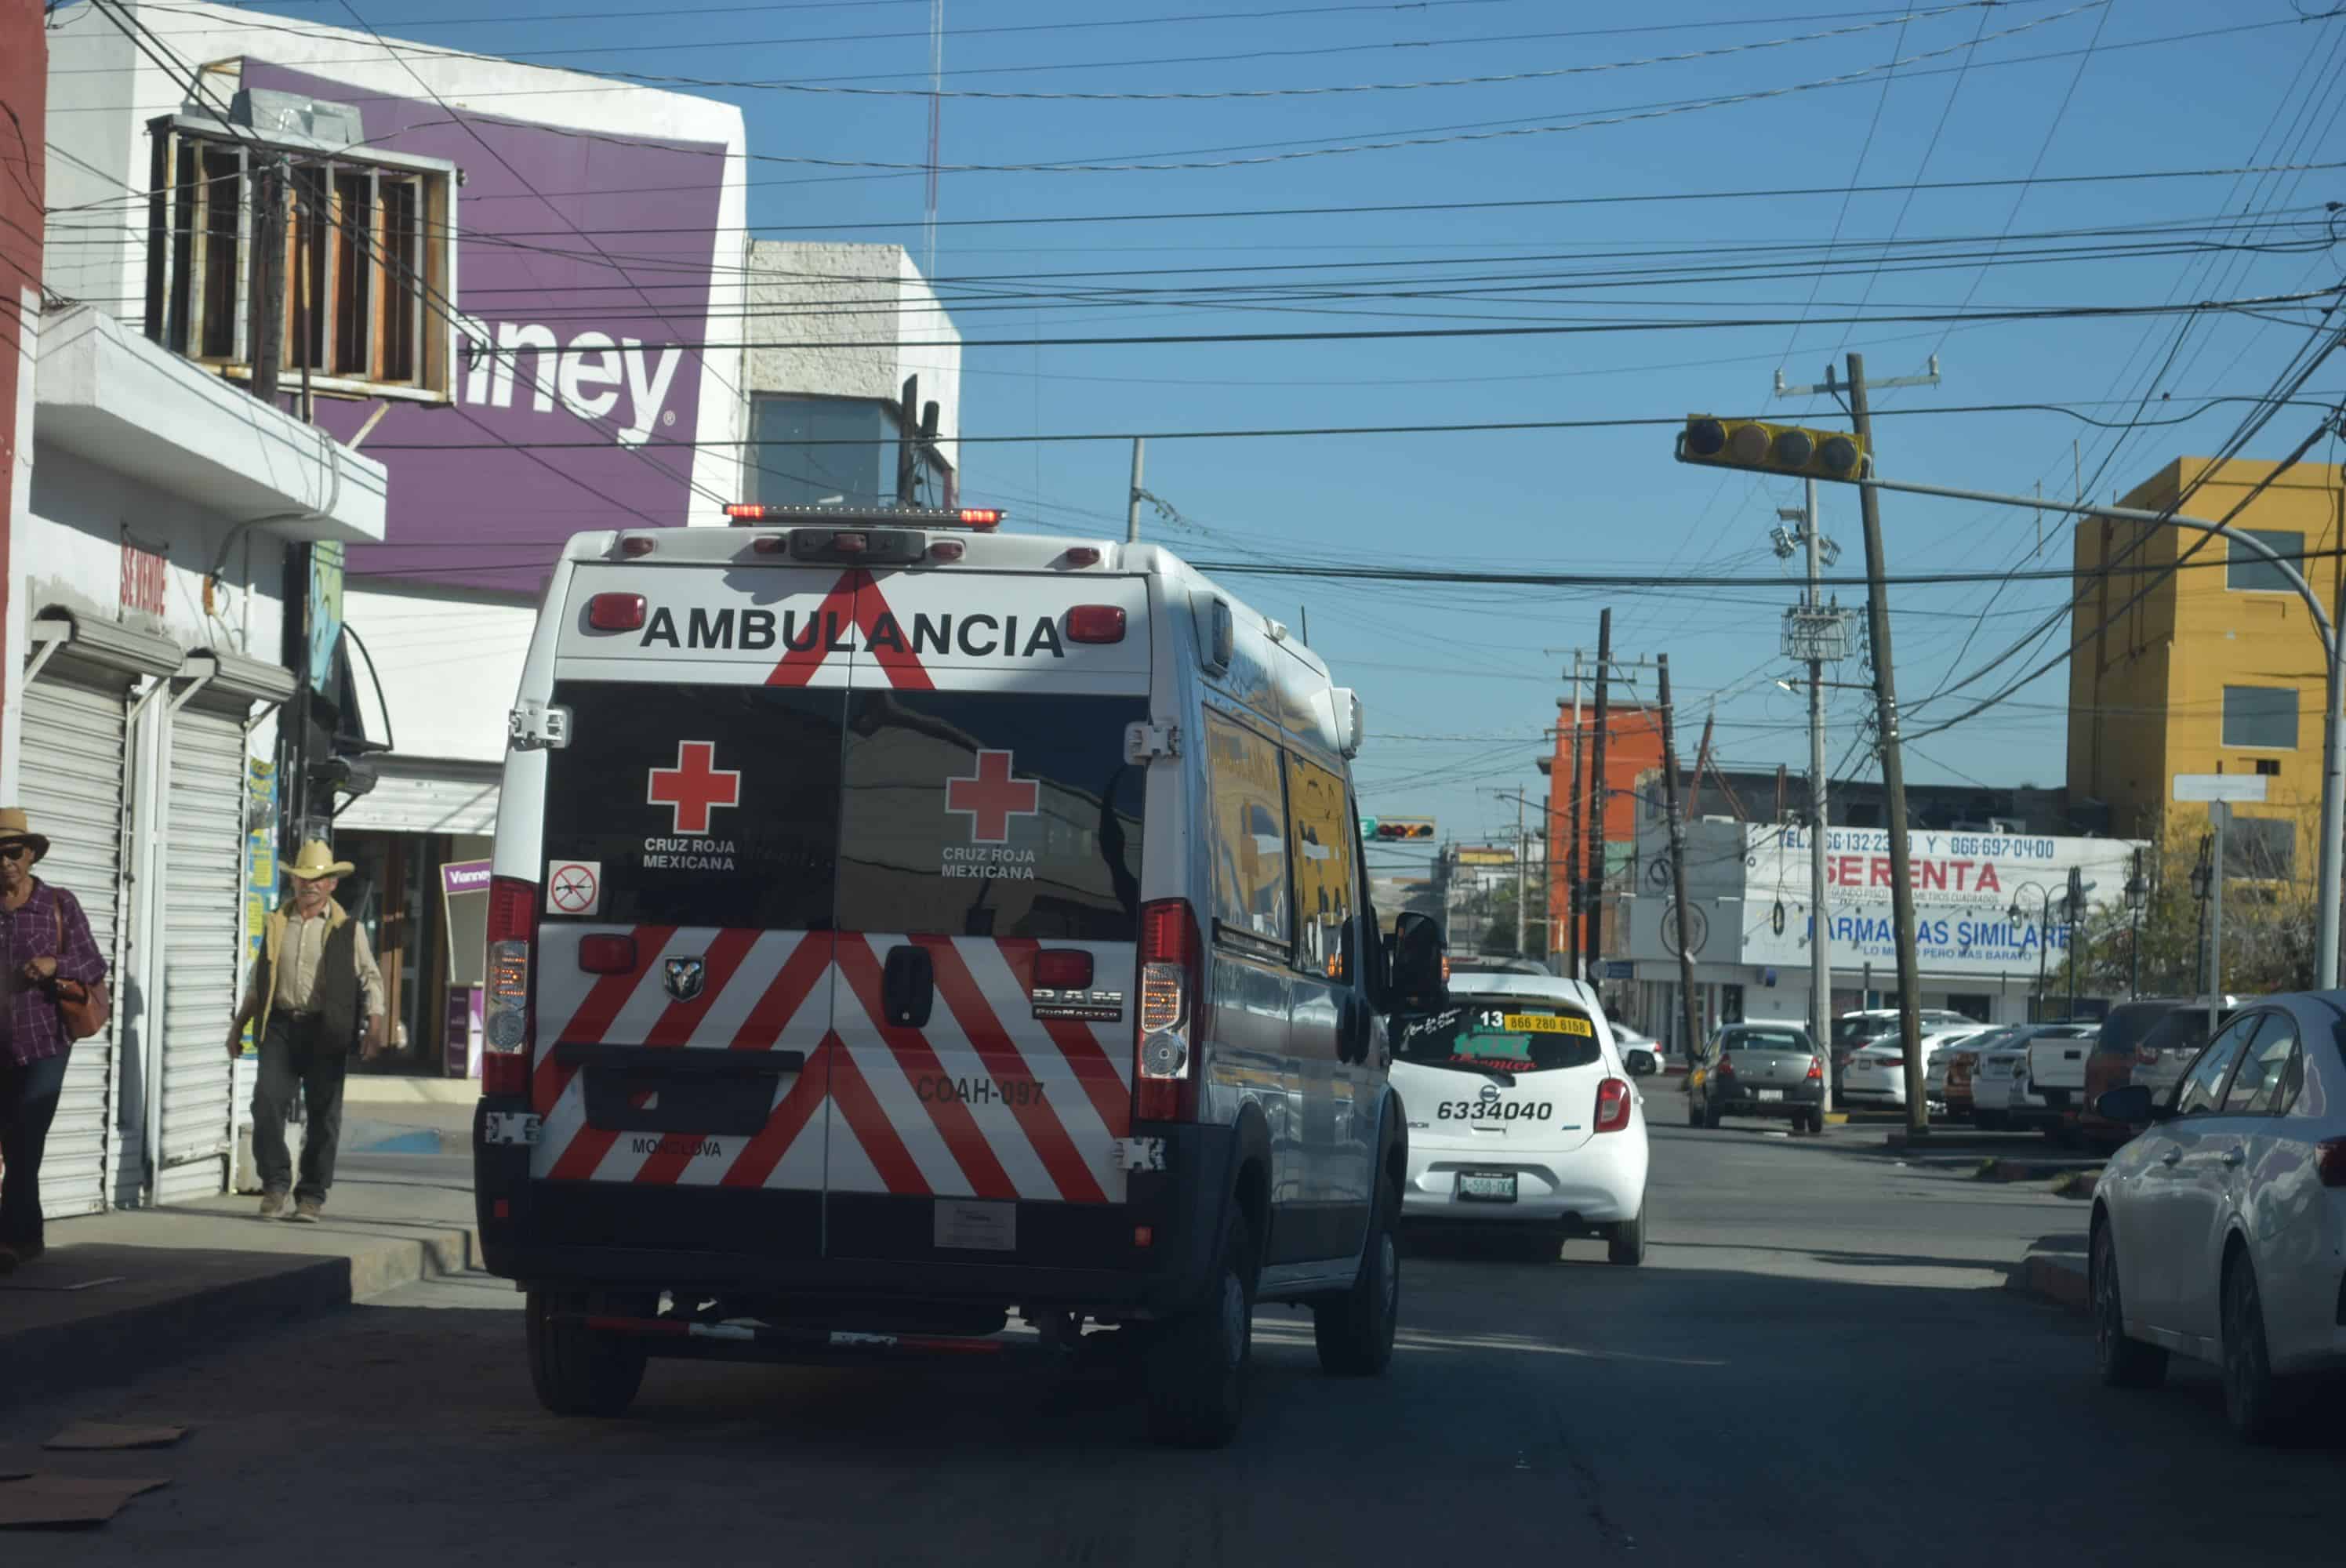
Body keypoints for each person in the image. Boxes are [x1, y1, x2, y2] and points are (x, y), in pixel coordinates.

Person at [228, 840, 387, 1221]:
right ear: (294, 881)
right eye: (303, 878)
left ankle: (312, 1195)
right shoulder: (277, 922)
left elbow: (371, 978)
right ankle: (275, 1184)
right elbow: (258, 982)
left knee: (324, 1116)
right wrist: (239, 1026)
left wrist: (375, 1026)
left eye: (318, 879)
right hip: (281, 1026)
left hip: (326, 1030)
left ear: (332, 884)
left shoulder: (347, 929)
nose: (309, 885)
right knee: (266, 1103)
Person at [0, 807, 108, 1274]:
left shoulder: (58, 904)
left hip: (45, 1039)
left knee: (26, 1136)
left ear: (30, 855)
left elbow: (93, 965)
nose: (6, 862)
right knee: (10, 1140)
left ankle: (12, 1240)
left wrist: (53, 965)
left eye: (13, 852)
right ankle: (30, 1235)